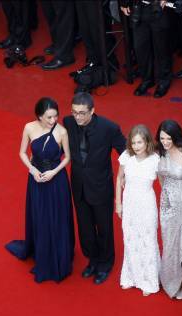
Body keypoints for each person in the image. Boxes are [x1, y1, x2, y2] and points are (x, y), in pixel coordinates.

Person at [5, 97, 75, 283]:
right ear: (39, 116)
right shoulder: (29, 128)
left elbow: (67, 157)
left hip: (56, 180)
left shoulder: (62, 132)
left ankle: (58, 254)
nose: (53, 121)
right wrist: (32, 169)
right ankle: (41, 249)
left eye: (55, 116)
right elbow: (22, 152)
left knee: (56, 216)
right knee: (39, 215)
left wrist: (54, 172)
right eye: (49, 117)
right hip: (36, 179)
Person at [63, 92, 126, 285]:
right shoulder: (68, 122)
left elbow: (126, 152)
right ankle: (92, 259)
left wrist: (124, 177)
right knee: (85, 228)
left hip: (101, 187)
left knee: (104, 228)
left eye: (82, 113)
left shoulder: (109, 128)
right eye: (75, 112)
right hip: (79, 185)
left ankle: (105, 264)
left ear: (92, 110)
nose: (78, 117)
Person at [116, 125, 161, 295]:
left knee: (147, 239)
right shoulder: (126, 157)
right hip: (129, 204)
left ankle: (149, 281)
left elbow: (164, 185)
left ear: (147, 141)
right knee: (130, 239)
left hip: (147, 204)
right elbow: (119, 178)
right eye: (133, 142)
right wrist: (118, 203)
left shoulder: (156, 159)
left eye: (140, 142)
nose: (136, 146)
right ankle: (131, 276)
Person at [156, 120, 182, 299]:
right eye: (162, 138)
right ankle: (172, 278)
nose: (165, 142)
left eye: (168, 138)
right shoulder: (160, 151)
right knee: (169, 241)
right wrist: (166, 195)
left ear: (176, 136)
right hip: (166, 202)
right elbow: (161, 178)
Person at [120, 0, 173, 98]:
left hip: (159, 8)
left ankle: (164, 81)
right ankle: (147, 80)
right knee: (140, 48)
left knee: (161, 49)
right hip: (138, 8)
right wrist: (124, 3)